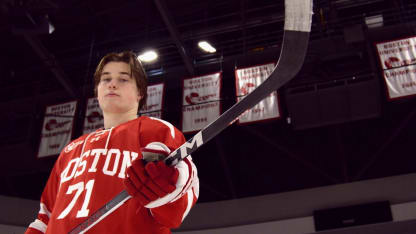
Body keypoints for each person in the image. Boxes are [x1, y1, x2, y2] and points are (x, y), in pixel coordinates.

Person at [25, 51, 199, 234]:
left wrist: (167, 188)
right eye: (105, 79)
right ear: (97, 91)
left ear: (140, 92)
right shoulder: (70, 150)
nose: (112, 84)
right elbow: (45, 217)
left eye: (123, 79)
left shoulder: (155, 130)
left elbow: (175, 211)